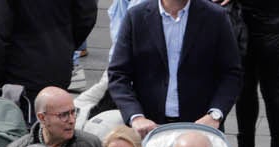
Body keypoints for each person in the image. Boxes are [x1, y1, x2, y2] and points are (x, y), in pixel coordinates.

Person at [104, 0, 243, 136]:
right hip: (149, 128)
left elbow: (231, 73)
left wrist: (215, 115)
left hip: (201, 128)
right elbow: (118, 74)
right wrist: (136, 116)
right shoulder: (135, 16)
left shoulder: (215, 16)